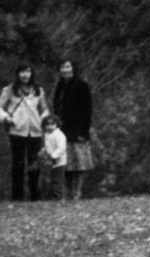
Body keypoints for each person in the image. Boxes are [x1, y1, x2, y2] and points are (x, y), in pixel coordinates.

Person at [0, 65, 50, 201]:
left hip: (35, 131)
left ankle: (35, 196)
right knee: (18, 163)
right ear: (17, 73)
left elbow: (45, 109)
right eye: (22, 72)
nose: (25, 75)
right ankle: (17, 196)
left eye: (28, 71)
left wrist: (42, 119)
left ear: (31, 73)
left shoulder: (38, 90)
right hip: (17, 130)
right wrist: (7, 118)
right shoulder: (10, 89)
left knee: (34, 164)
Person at [51, 59, 94, 200]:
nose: (65, 69)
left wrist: (84, 131)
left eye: (67, 66)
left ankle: (77, 192)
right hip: (62, 130)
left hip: (78, 129)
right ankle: (69, 192)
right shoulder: (60, 86)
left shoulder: (82, 85)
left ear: (73, 68)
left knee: (79, 164)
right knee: (66, 163)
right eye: (62, 67)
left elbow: (87, 110)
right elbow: (56, 107)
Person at [39, 115, 68, 201]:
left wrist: (53, 156)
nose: (50, 126)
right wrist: (43, 151)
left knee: (57, 181)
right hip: (49, 162)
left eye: (52, 124)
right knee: (49, 180)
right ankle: (50, 198)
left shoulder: (59, 135)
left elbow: (61, 148)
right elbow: (48, 146)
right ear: (44, 126)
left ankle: (59, 198)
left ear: (57, 124)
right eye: (47, 124)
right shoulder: (47, 134)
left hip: (59, 162)